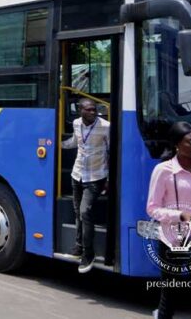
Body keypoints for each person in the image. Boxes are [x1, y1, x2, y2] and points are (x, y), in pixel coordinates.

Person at [147, 121, 191, 319]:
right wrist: (179, 215)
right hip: (172, 240)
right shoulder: (164, 170)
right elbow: (152, 208)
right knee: (170, 294)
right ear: (177, 144)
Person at [61, 98, 110, 273]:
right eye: (88, 110)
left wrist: (109, 179)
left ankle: (89, 254)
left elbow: (112, 151)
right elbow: (76, 142)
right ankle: (78, 246)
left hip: (96, 177)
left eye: (94, 109)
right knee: (77, 213)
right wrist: (59, 145)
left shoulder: (105, 126)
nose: (93, 112)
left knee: (84, 212)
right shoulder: (76, 123)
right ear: (80, 110)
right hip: (77, 174)